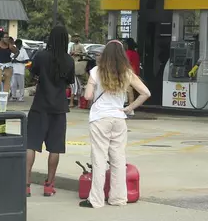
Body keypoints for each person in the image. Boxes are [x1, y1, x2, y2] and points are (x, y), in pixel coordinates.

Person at [79, 40, 151, 208]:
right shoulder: (127, 72)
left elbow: (88, 96)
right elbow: (146, 92)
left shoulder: (96, 71)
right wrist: (128, 108)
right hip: (119, 119)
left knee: (99, 159)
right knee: (118, 159)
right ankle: (118, 198)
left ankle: (96, 200)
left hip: (99, 119)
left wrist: (88, 86)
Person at [26, 25, 75, 198]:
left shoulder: (41, 56)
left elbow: (34, 73)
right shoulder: (69, 61)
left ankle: (26, 185)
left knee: (30, 144)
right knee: (55, 147)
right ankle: (49, 185)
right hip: (59, 108)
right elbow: (69, 81)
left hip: (39, 106)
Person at [0, 29, 18, 94]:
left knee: (6, 86)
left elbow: (17, 51)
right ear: (1, 38)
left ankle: (4, 101)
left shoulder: (9, 45)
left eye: (8, 37)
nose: (7, 39)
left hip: (8, 66)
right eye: (5, 37)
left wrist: (13, 58)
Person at [11, 38, 30, 102]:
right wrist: (13, 61)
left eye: (19, 44)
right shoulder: (13, 50)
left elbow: (27, 60)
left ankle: (21, 97)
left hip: (21, 71)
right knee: (13, 85)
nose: (18, 46)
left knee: (21, 85)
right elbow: (10, 59)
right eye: (17, 45)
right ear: (15, 45)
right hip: (14, 70)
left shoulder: (23, 51)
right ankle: (13, 96)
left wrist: (18, 61)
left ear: (21, 45)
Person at [124, 38, 140, 112]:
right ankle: (131, 108)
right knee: (131, 91)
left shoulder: (128, 53)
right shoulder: (135, 53)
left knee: (129, 91)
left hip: (128, 74)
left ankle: (130, 109)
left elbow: (125, 63)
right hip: (135, 73)